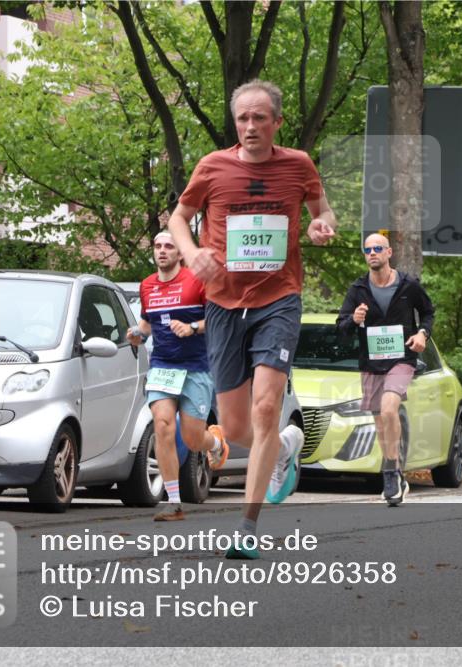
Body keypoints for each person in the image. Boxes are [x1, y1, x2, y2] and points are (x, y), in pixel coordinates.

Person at [167, 79, 336, 558]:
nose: (250, 126)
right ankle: (284, 448)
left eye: (259, 117)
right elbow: (178, 217)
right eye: (242, 118)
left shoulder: (298, 165)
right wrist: (192, 251)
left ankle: (246, 526)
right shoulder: (213, 167)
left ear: (277, 123)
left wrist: (323, 224)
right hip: (222, 304)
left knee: (265, 408)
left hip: (278, 299)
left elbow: (322, 211)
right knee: (238, 424)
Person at [126, 231, 229, 522]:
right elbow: (148, 323)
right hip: (162, 367)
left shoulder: (197, 281)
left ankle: (216, 443)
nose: (162, 251)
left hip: (196, 368)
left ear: (180, 254)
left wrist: (193, 327)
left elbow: (219, 319)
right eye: (157, 246)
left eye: (169, 246)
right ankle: (173, 502)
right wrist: (137, 334)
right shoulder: (147, 285)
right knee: (162, 425)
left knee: (194, 438)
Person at [336, 234, 435, 507]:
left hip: (402, 358)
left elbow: (428, 311)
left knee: (390, 408)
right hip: (371, 362)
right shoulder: (357, 289)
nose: (372, 253)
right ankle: (396, 473)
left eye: (378, 248)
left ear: (389, 252)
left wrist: (422, 335)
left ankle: (389, 472)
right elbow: (341, 326)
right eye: (367, 250)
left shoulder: (407, 285)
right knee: (380, 422)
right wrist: (353, 320)